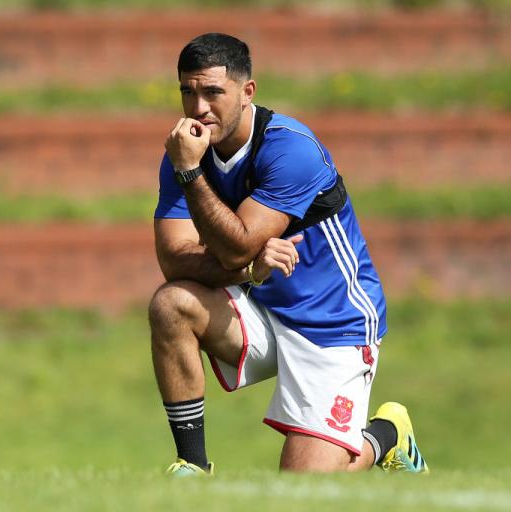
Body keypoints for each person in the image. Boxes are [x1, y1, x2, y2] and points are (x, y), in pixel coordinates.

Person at [150, 32, 428, 475]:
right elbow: (174, 261)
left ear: (247, 92)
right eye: (188, 91)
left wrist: (190, 174)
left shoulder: (289, 148)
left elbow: (238, 243)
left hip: (334, 324)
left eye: (213, 92)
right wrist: (250, 272)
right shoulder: (185, 155)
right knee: (171, 304)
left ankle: (387, 436)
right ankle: (191, 466)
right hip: (262, 308)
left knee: (298, 491)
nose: (198, 108)